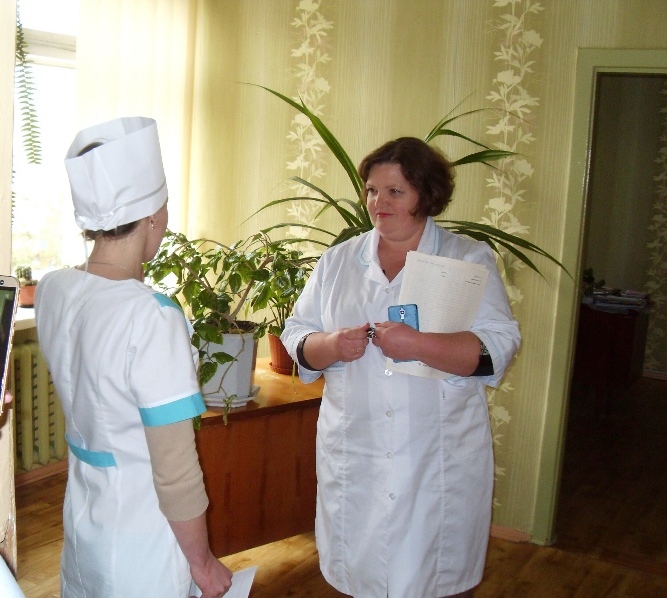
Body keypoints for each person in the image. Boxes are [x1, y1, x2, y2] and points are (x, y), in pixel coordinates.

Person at [281, 137, 521, 598]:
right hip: (357, 450)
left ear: (426, 194)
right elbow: (297, 334)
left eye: (395, 191)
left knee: (437, 579)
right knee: (359, 576)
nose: (379, 202)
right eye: (372, 190)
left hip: (436, 455)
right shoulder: (337, 261)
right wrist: (330, 345)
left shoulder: (466, 258)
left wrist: (419, 344)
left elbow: (499, 345)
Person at [34, 117, 232, 598]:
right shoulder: (151, 316)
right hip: (142, 540)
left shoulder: (53, 289)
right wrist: (203, 563)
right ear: (153, 218)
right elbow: (175, 469)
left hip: (83, 522)